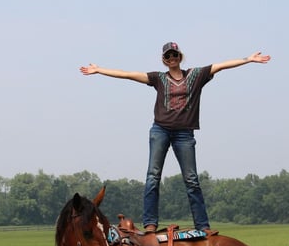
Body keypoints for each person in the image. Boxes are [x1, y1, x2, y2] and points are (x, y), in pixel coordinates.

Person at [79, 42, 271, 232]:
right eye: (168, 56)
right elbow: (128, 75)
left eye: (174, 55)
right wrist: (99, 70)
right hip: (160, 130)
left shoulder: (195, 75)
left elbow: (221, 65)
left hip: (184, 134)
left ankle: (203, 226)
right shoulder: (158, 78)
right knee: (153, 176)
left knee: (191, 179)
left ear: (180, 57)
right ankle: (150, 224)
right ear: (164, 60)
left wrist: (248, 59)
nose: (171, 59)